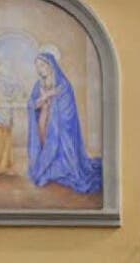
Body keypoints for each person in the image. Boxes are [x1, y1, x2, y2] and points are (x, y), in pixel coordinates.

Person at [26, 48, 102, 194]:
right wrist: (43, 99)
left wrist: (51, 101)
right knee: (43, 142)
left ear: (50, 65)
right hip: (44, 119)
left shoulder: (63, 84)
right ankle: (47, 168)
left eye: (42, 65)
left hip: (59, 126)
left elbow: (68, 111)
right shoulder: (38, 84)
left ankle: (56, 170)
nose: (39, 69)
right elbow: (32, 104)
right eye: (37, 66)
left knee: (55, 143)